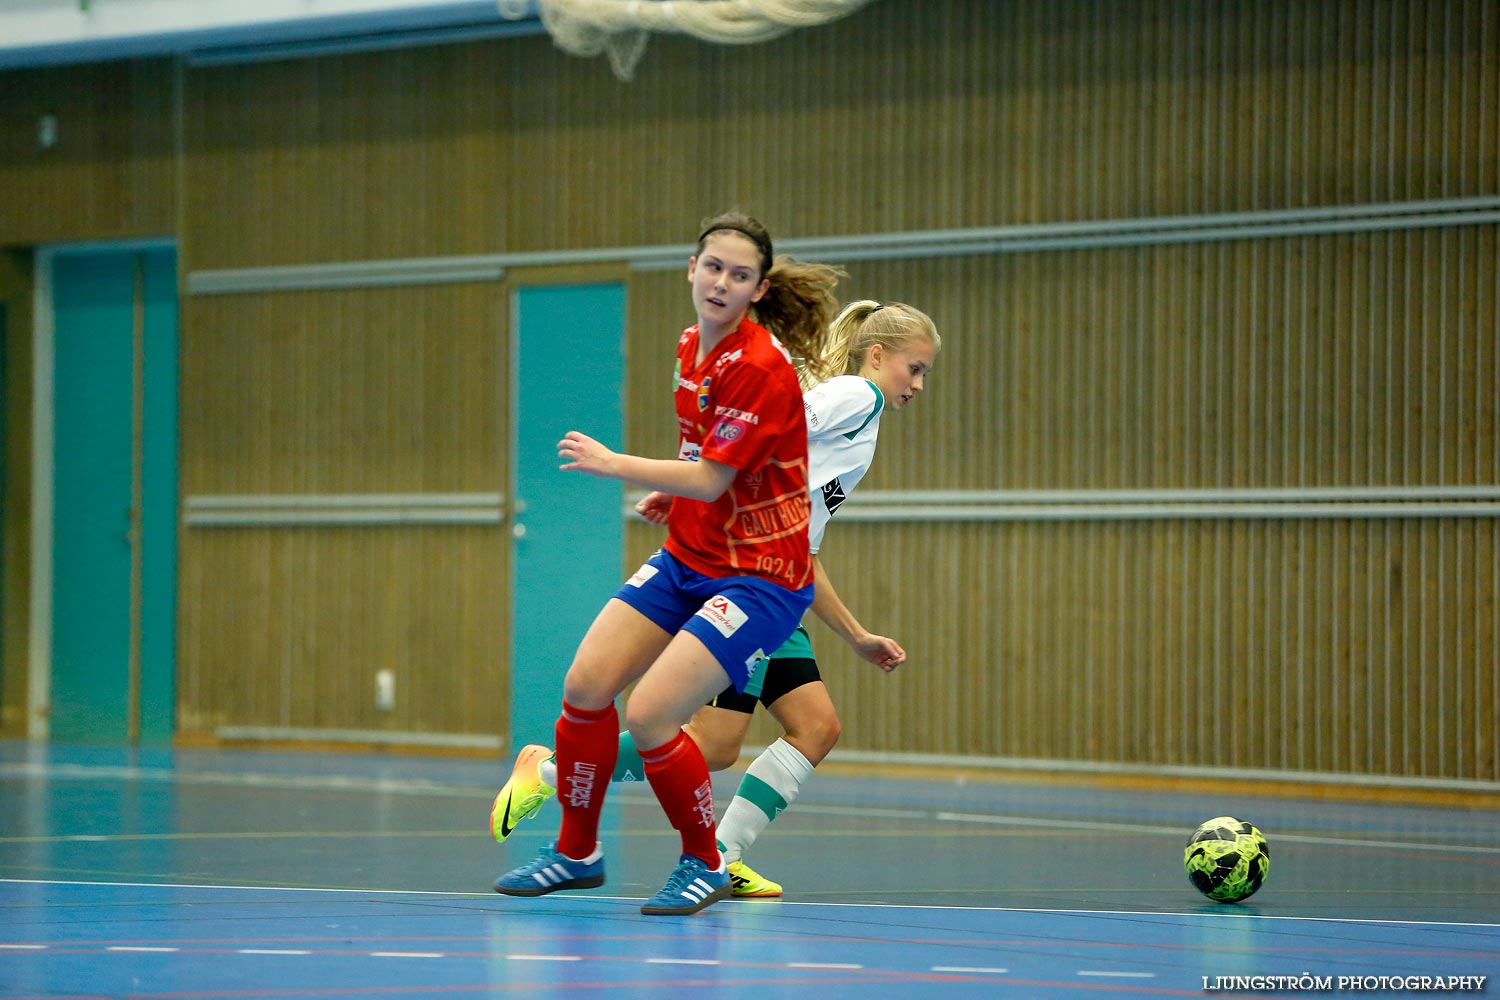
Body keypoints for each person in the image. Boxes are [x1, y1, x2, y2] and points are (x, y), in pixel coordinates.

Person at [491, 299, 941, 899]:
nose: (916, 383)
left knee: (815, 728)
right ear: (877, 354)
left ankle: (722, 853)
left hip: (780, 581)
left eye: (924, 374)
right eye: (914, 367)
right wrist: (692, 488)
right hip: (745, 580)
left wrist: (855, 633)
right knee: (707, 742)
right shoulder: (861, 397)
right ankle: (556, 775)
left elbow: (798, 537)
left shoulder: (857, 423)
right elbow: (764, 432)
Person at [490, 212, 842, 916]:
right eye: (712, 267)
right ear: (691, 268)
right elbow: (705, 461)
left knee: (652, 714)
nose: (721, 282)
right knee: (586, 685)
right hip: (691, 554)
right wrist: (667, 488)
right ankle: (577, 851)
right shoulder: (690, 347)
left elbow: (713, 478)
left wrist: (616, 465)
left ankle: (704, 862)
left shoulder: (762, 368)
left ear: (757, 288)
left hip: (760, 576)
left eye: (739, 275)